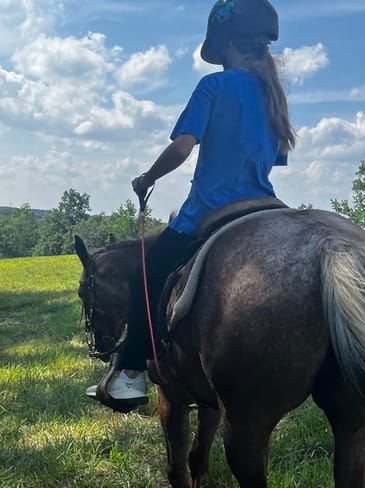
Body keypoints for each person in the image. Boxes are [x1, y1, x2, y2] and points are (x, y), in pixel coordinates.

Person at [86, 0, 295, 410]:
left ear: (225, 44)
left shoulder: (213, 87)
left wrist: (146, 179)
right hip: (267, 206)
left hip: (209, 210)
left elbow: (183, 147)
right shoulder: (274, 98)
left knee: (145, 277)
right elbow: (269, 159)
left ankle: (131, 375)